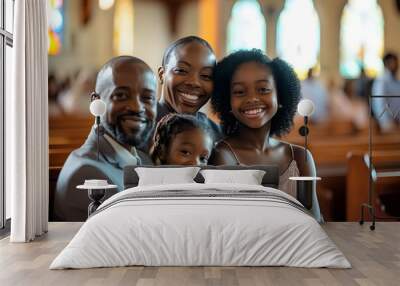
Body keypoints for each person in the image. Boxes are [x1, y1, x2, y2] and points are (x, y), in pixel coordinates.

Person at [209, 49, 322, 222]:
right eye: (240, 92)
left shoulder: (300, 157)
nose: (252, 98)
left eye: (263, 89)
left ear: (280, 96)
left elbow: (315, 222)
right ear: (227, 101)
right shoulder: (223, 155)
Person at [54, 56, 157, 221]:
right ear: (96, 100)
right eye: (121, 95)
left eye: (147, 98)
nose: (137, 107)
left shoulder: (143, 159)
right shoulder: (86, 173)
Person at [157, 36, 221, 140]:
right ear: (161, 74)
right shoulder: (140, 126)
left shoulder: (216, 136)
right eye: (182, 71)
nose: (194, 82)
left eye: (206, 76)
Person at [372, 52, 400, 132]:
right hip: (389, 124)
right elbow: (379, 103)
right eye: (393, 62)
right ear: (386, 64)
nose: (396, 65)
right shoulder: (381, 81)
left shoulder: (397, 81)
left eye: (396, 62)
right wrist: (386, 122)